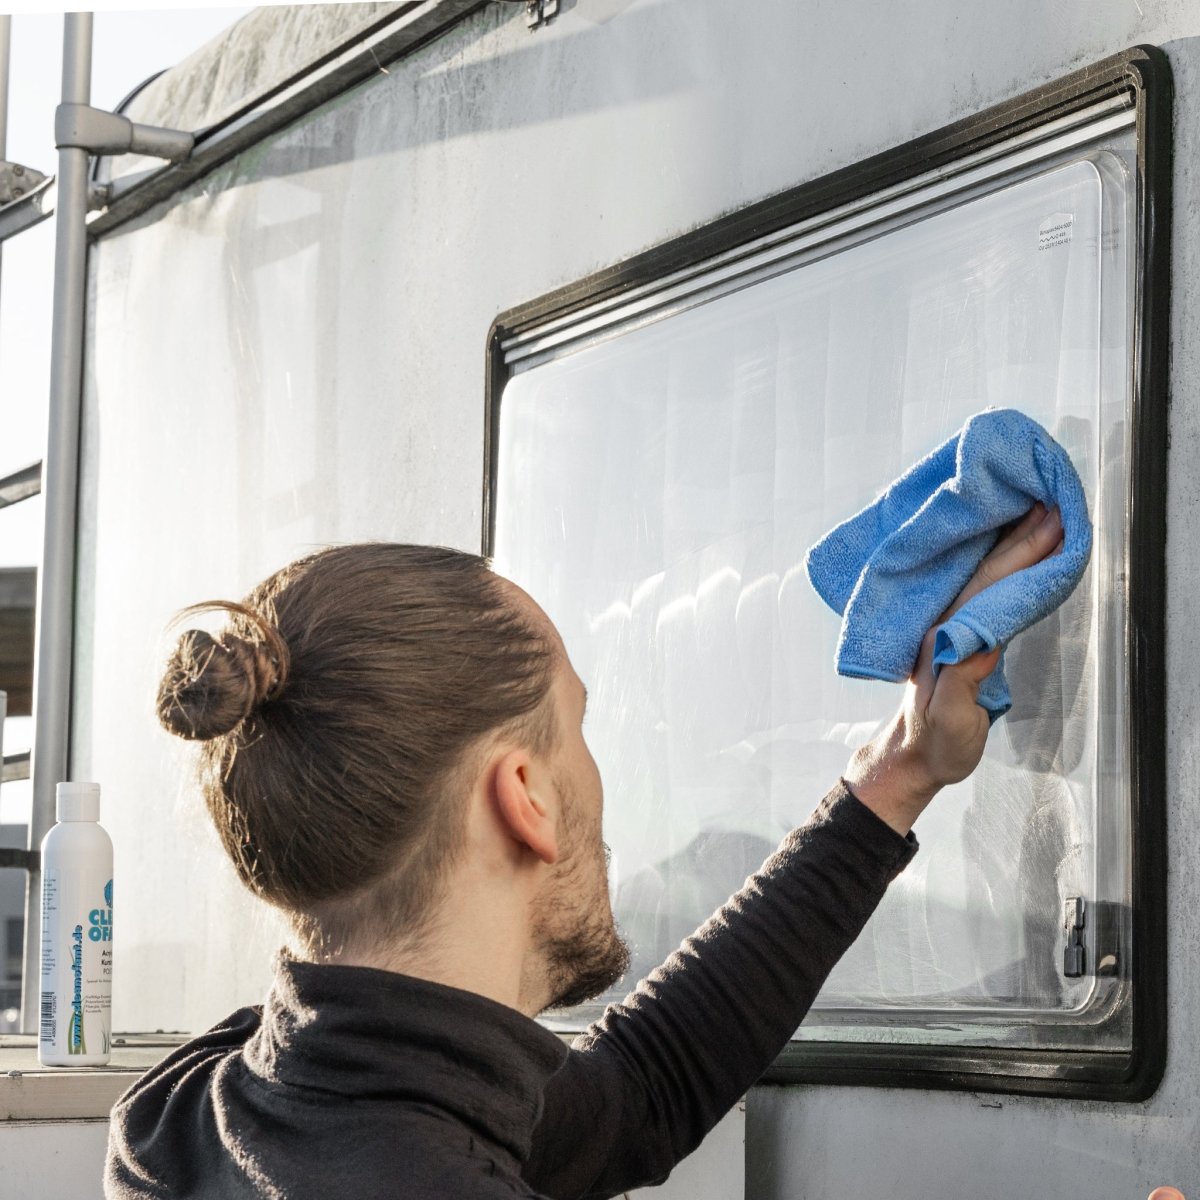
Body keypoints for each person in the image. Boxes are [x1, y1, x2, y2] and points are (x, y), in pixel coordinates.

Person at [105, 506, 1064, 1199]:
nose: (596, 776)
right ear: (525, 795)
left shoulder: (176, 1122)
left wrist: (897, 777)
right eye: (578, 725)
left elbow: (638, 1091)